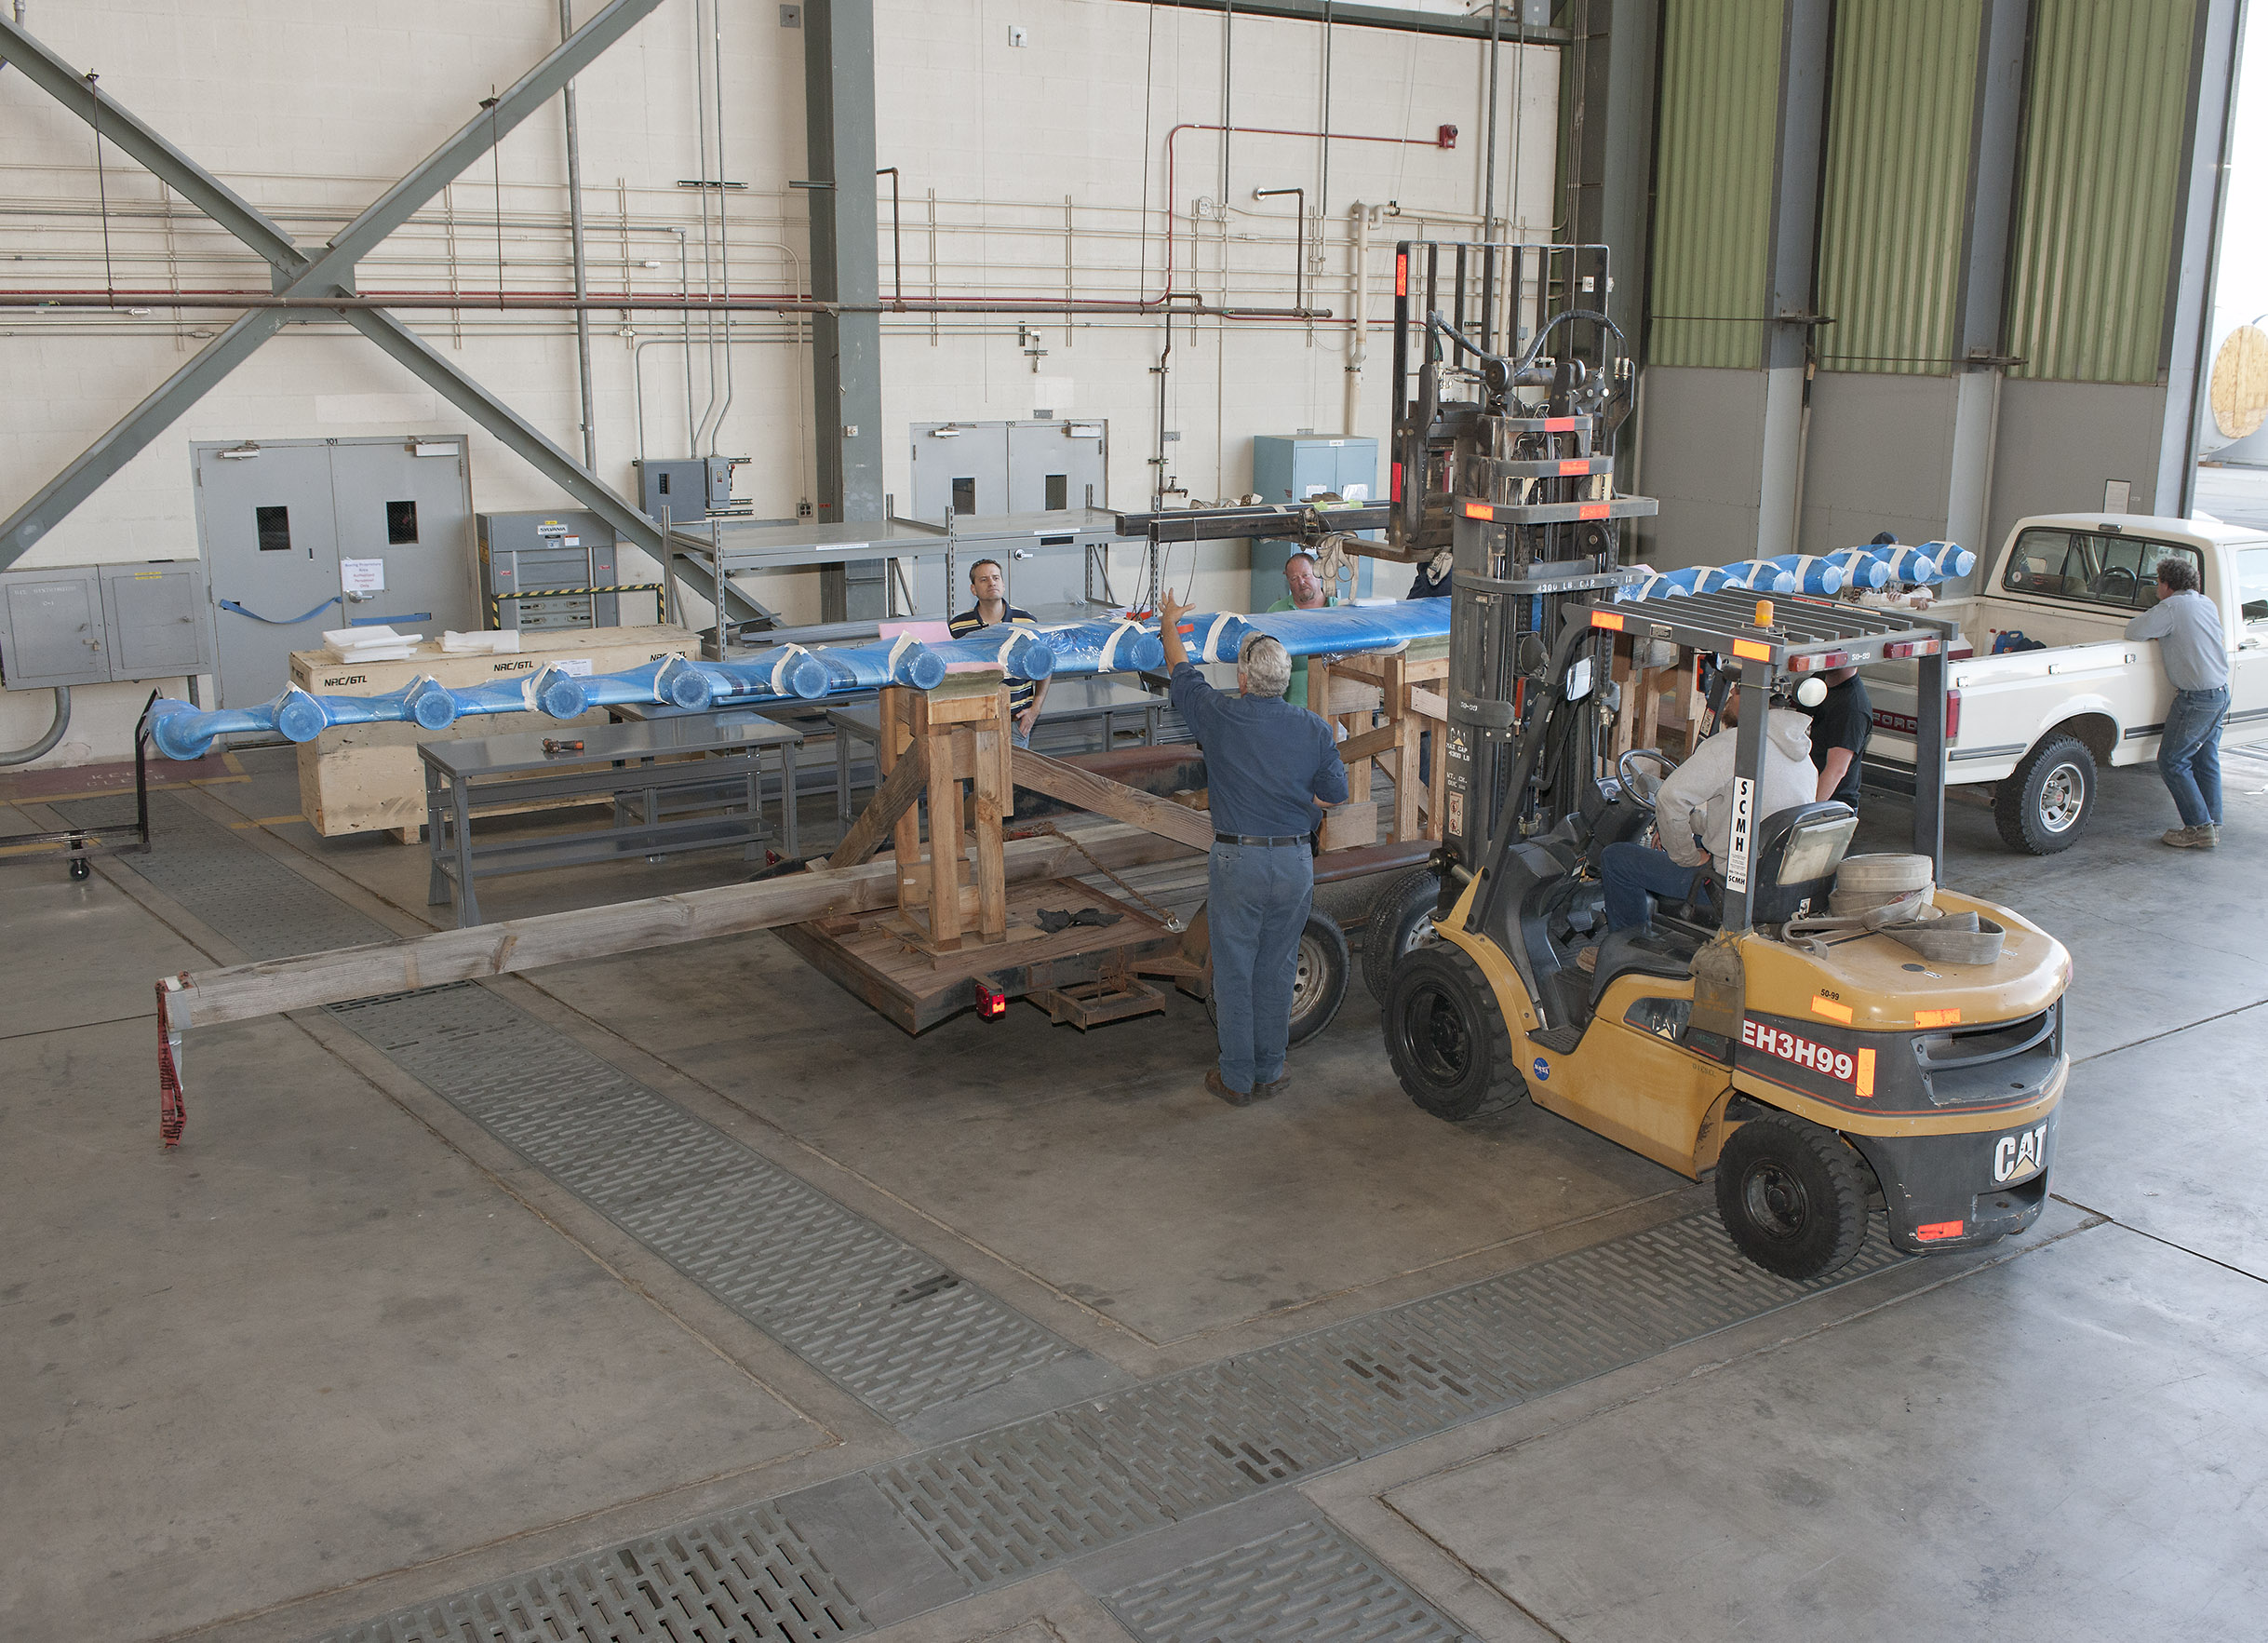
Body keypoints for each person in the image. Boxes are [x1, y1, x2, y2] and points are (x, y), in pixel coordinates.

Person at [1161, 586, 1349, 1105]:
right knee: (1278, 967)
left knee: (1235, 972)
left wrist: (1169, 622)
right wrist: (1300, 809)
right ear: (1285, 681)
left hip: (1237, 861)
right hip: (1294, 862)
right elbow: (1335, 796)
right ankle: (1271, 1069)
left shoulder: (1219, 715)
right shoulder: (1314, 728)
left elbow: (1181, 672)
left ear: (1243, 678)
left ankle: (1237, 1079)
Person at [1582, 680, 1816, 970]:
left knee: (1617, 859)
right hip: (1773, 883)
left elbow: (1669, 799)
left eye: (1738, 688)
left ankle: (1623, 954)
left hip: (1730, 887)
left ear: (1756, 698)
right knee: (1680, 837)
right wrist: (1691, 826)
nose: (1730, 693)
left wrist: (1687, 856)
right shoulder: (1803, 756)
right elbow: (1751, 822)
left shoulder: (1735, 746)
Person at [2126, 556, 2228, 848]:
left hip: (2196, 699)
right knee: (2205, 758)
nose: (2157, 587)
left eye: (2158, 582)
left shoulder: (2170, 608)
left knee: (2172, 761)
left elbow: (2134, 631)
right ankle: (2211, 821)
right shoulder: (2206, 603)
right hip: (2219, 693)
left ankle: (2198, 827)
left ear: (2167, 585)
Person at [948, 558, 1049, 747]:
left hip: (1016, 721)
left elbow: (1045, 667)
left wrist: (1035, 709)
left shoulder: (1027, 622)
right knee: (974, 776)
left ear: (1003, 584)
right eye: (983, 579)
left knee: (1015, 776)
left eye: (996, 578)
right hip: (972, 721)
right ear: (973, 589)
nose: (991, 582)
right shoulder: (958, 626)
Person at [1267, 549, 1339, 708]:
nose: (1301, 582)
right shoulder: (1276, 613)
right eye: (1294, 578)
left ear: (1318, 575)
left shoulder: (1340, 610)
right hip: (1292, 706)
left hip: (1336, 703)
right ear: (1288, 581)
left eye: (1306, 575)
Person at [1799, 664, 1871, 808]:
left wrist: (1807, 812)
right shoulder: (1819, 681)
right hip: (1806, 788)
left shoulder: (1852, 709)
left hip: (1831, 806)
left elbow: (1836, 770)